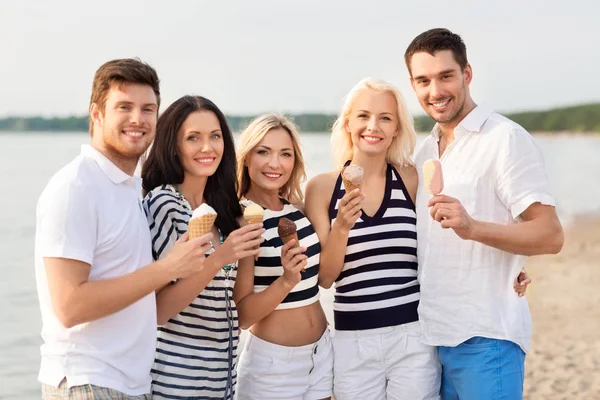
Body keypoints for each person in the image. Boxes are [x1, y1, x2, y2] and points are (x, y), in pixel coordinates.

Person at [34, 59, 213, 399]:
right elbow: (70, 306)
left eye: (148, 109)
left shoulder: (129, 188)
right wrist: (167, 268)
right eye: (124, 107)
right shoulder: (76, 186)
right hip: (86, 380)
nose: (138, 119)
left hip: (131, 383)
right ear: (97, 114)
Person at [404, 28, 564, 400]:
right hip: (430, 340)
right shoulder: (424, 151)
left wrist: (473, 227)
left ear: (467, 74)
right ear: (413, 85)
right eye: (423, 80)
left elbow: (551, 234)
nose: (435, 91)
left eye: (446, 76)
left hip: (487, 338)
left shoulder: (504, 139)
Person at [305, 78, 441, 400]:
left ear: (397, 128)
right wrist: (341, 227)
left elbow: (442, 241)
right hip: (353, 341)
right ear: (348, 123)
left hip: (413, 335)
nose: (373, 126)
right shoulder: (322, 188)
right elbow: (325, 278)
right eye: (363, 115)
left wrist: (509, 269)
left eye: (385, 118)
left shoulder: (410, 178)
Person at [141, 95, 264, 400]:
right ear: (172, 145)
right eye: (193, 138)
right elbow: (159, 310)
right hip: (175, 382)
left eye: (215, 136)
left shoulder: (221, 211)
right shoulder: (164, 203)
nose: (207, 147)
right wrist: (220, 257)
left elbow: (234, 307)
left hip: (222, 382)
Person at [234, 114, 333, 399]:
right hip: (273, 369)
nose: (275, 163)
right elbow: (242, 315)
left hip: (321, 354)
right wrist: (287, 280)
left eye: (285, 154)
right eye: (263, 152)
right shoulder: (242, 219)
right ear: (246, 158)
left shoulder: (297, 211)